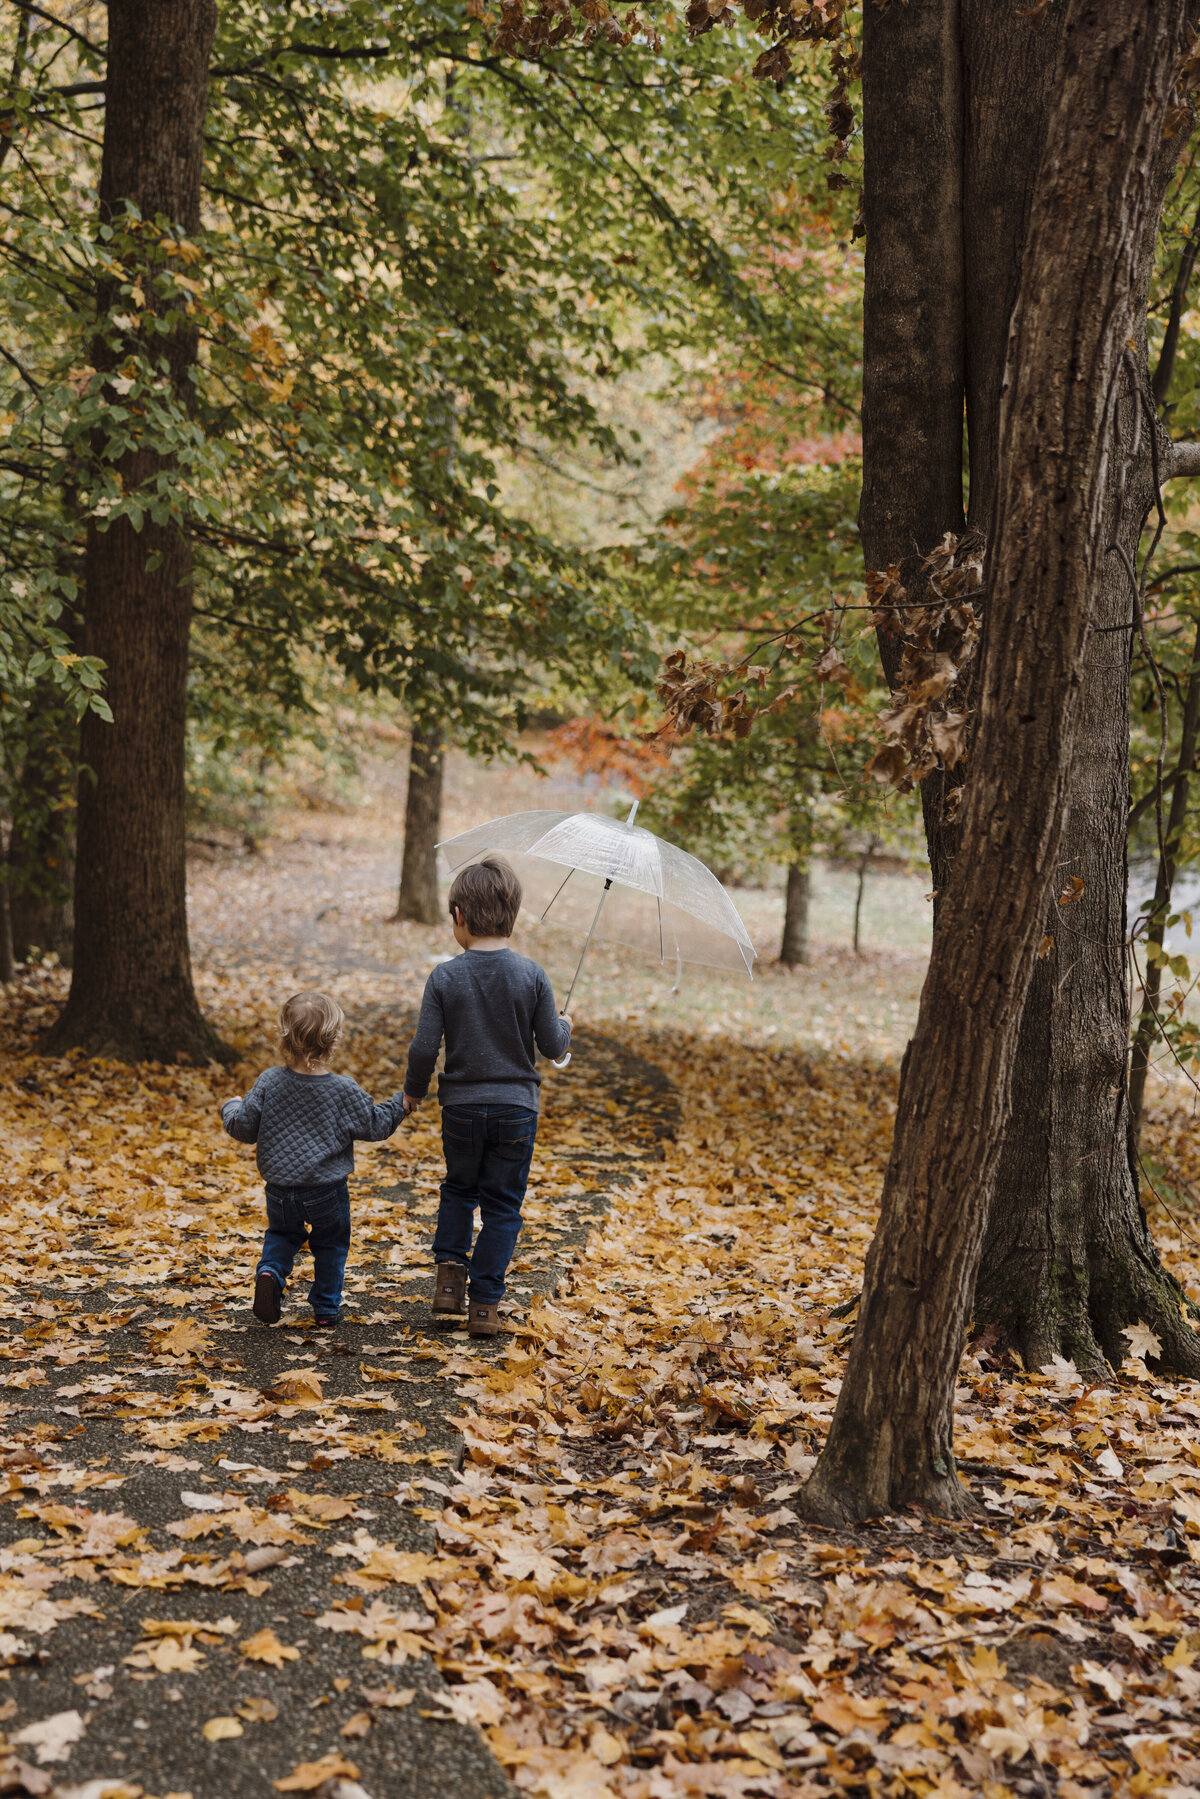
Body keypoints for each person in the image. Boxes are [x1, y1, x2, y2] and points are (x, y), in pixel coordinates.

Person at [403, 855, 572, 1338]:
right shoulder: (532, 975)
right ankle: (485, 1306)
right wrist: (565, 1024)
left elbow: (422, 1047)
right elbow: (553, 1045)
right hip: (516, 1110)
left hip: (459, 1108)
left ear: (459, 916)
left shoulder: (445, 977)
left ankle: (448, 1286)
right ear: (512, 915)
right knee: (502, 1206)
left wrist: (414, 1091)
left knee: (458, 1189)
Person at [221, 991, 406, 1328]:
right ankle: (325, 1309)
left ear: (284, 1038)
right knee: (332, 1244)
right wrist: (400, 1104)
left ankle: (270, 1272)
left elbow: (244, 1128)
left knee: (281, 1235)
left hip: (279, 1189)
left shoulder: (269, 1082)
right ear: (334, 1040)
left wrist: (231, 1105)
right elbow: (375, 1125)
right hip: (327, 1191)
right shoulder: (343, 1089)